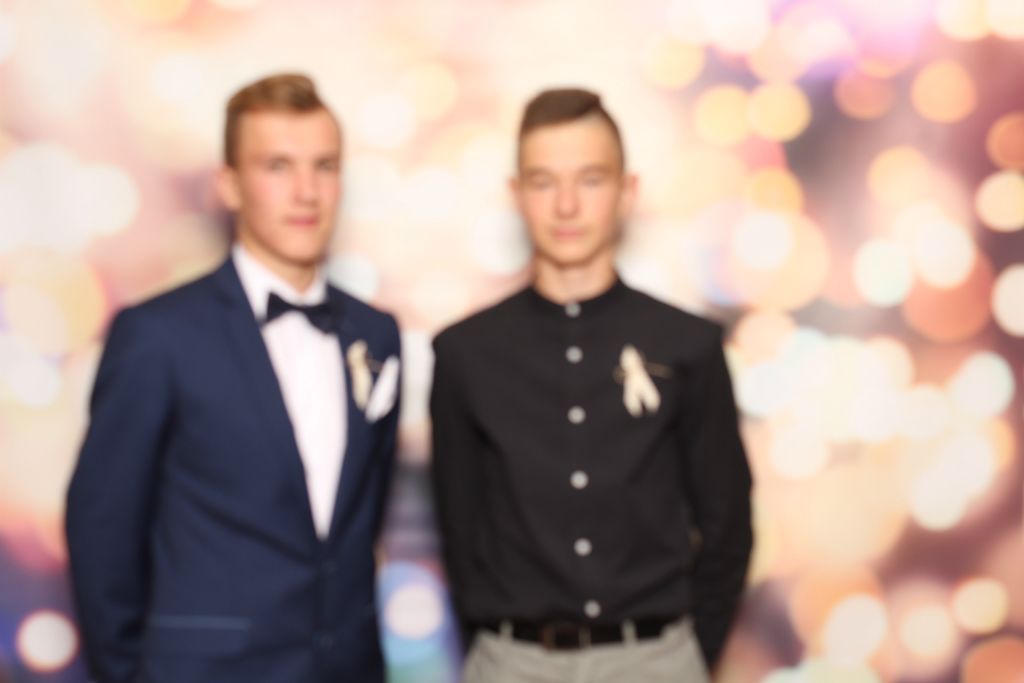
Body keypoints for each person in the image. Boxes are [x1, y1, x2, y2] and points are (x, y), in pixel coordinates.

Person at [66, 73, 401, 683]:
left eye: (324, 166)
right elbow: (101, 528)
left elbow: (360, 523)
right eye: (277, 166)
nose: (306, 191)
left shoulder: (376, 335)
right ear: (229, 184)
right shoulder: (157, 335)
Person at [430, 88, 752, 682]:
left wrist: (684, 659)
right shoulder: (464, 354)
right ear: (516, 195)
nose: (567, 205)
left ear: (627, 191)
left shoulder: (688, 346)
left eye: (591, 179)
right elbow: (458, 525)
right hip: (512, 663)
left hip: (656, 661)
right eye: (544, 182)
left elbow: (727, 525)